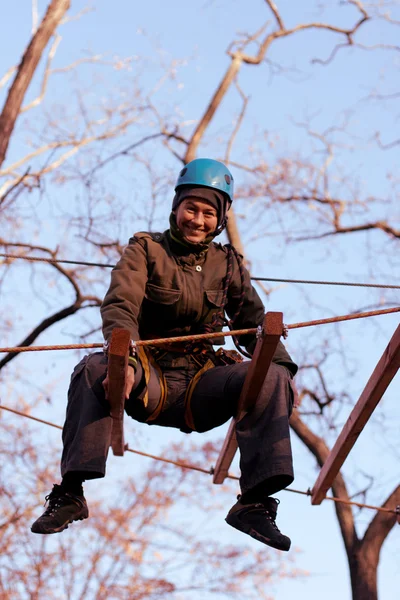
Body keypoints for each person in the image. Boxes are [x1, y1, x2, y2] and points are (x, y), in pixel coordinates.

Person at [31, 158, 298, 551]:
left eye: (209, 212)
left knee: (271, 374)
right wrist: (127, 361)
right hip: (148, 378)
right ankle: (71, 493)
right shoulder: (146, 249)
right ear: (176, 208)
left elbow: (253, 321)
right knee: (94, 367)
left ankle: (255, 504)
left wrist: (283, 371)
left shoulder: (228, 265)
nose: (198, 219)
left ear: (221, 219)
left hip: (202, 385)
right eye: (191, 208)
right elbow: (121, 303)